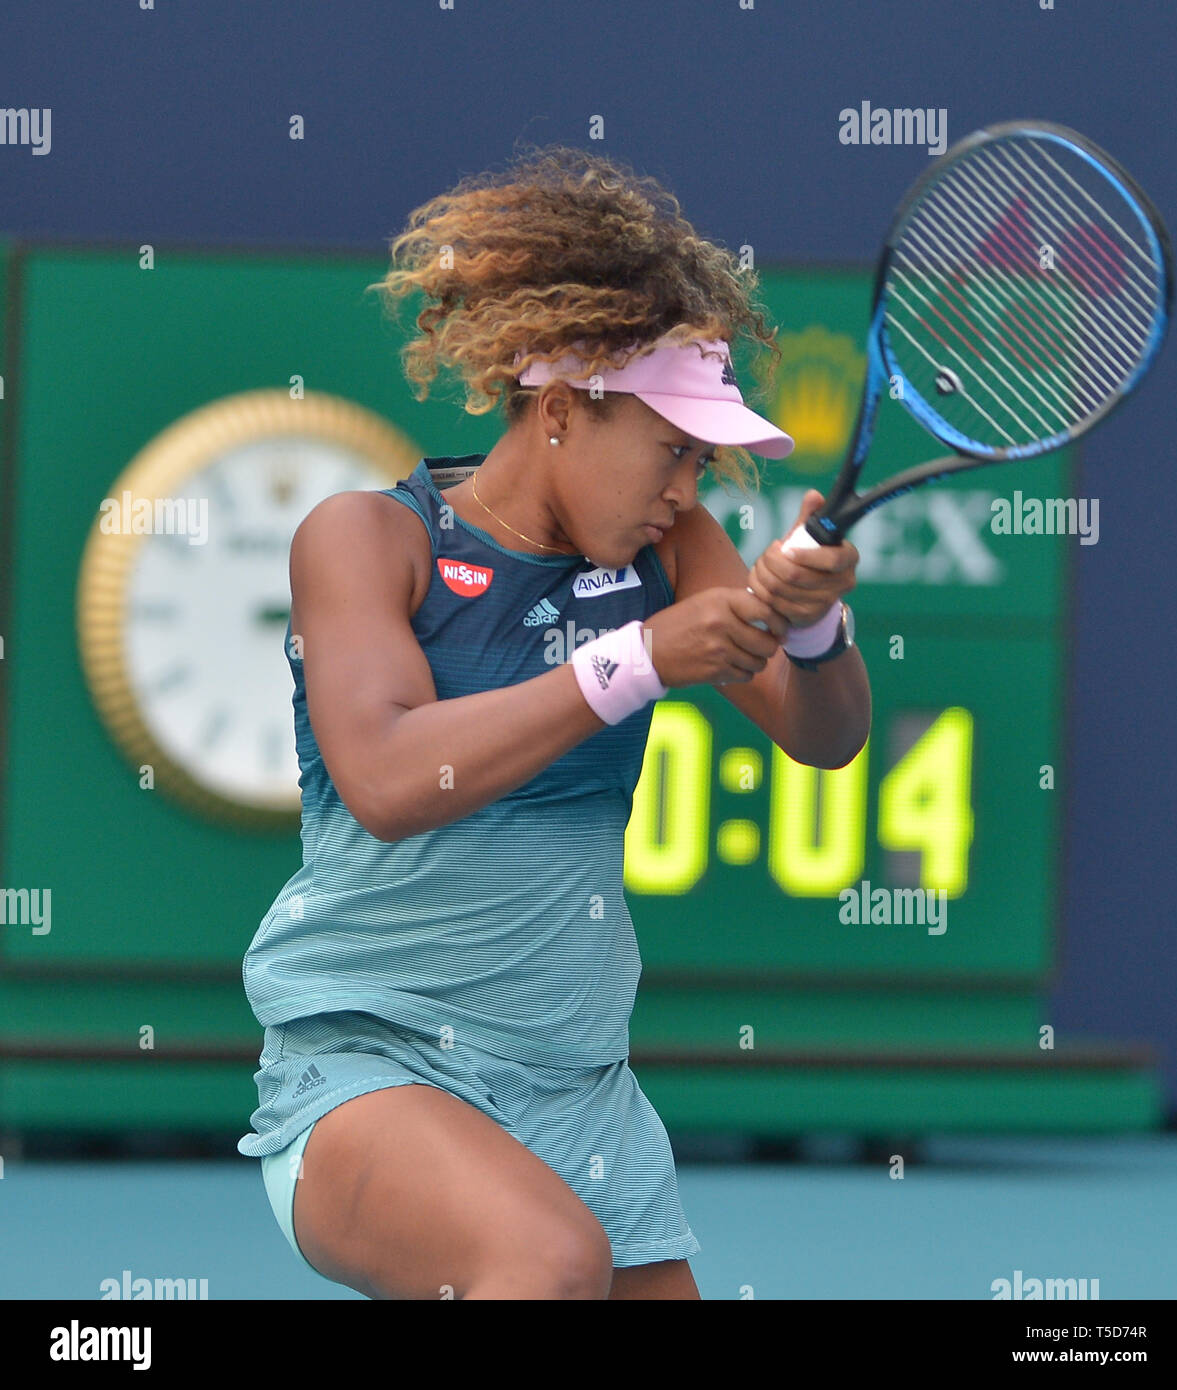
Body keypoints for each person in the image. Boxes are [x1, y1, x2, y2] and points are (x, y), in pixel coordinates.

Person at [237, 145, 870, 1300]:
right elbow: (384, 780)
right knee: (542, 1262)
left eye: (703, 455)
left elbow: (821, 736)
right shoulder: (369, 540)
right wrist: (632, 661)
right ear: (567, 410)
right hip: (367, 1065)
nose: (689, 487)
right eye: (673, 448)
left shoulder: (673, 552)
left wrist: (819, 632)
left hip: (581, 1087)